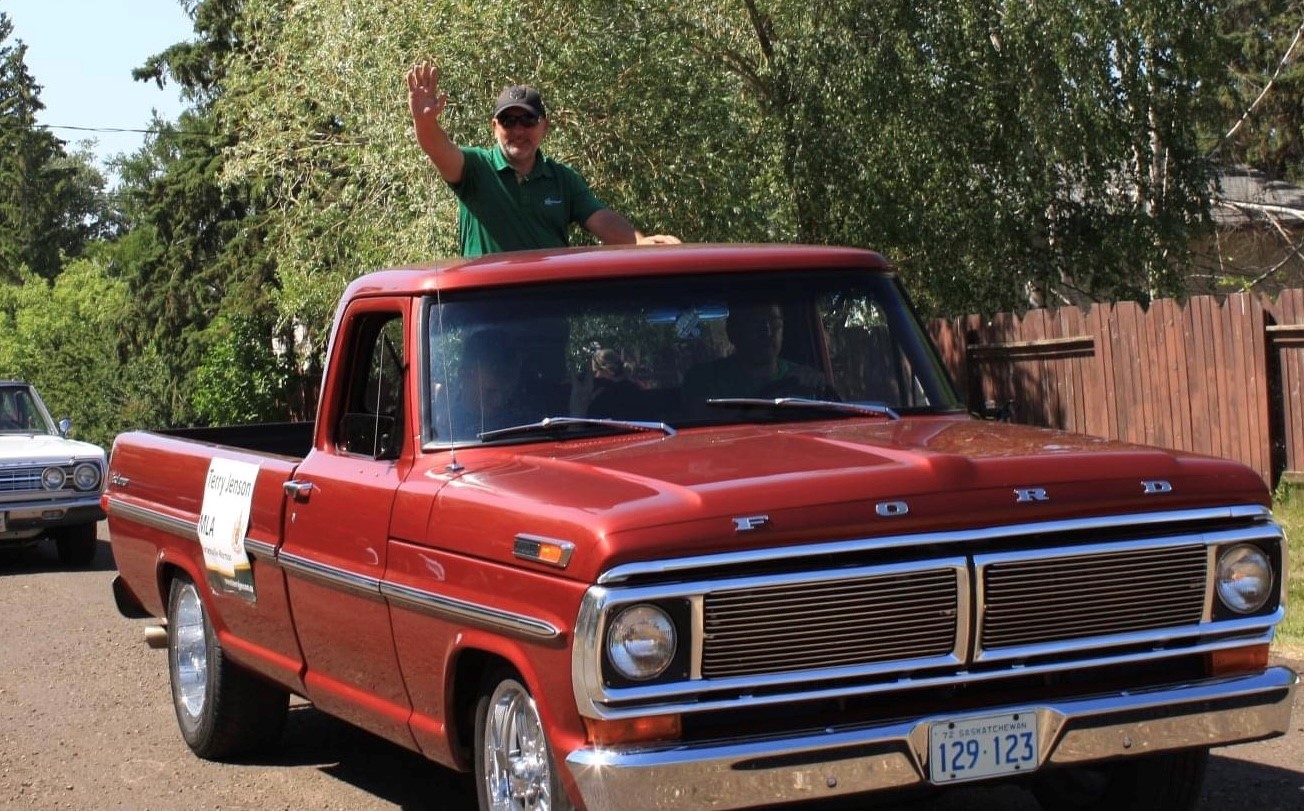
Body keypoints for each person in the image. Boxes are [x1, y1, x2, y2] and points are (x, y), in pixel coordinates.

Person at [406, 60, 680, 257]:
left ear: (544, 127)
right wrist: (424, 122)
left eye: (527, 121)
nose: (518, 130)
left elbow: (600, 219)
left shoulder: (562, 179)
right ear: (494, 127)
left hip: (547, 322)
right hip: (483, 322)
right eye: (508, 121)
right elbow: (437, 148)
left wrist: (639, 241)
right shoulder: (475, 168)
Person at [681, 302, 827, 413]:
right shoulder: (704, 379)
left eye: (775, 323)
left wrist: (817, 384)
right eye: (755, 323)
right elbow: (701, 427)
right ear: (733, 332)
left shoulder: (802, 378)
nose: (767, 332)